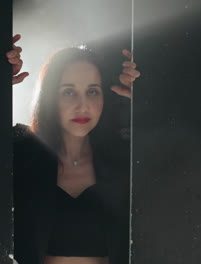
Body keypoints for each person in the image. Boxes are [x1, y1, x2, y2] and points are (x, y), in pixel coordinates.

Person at [7, 34, 141, 264]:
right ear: (49, 97)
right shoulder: (19, 151)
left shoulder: (129, 157)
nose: (82, 105)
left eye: (92, 91)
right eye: (69, 92)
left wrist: (150, 99)